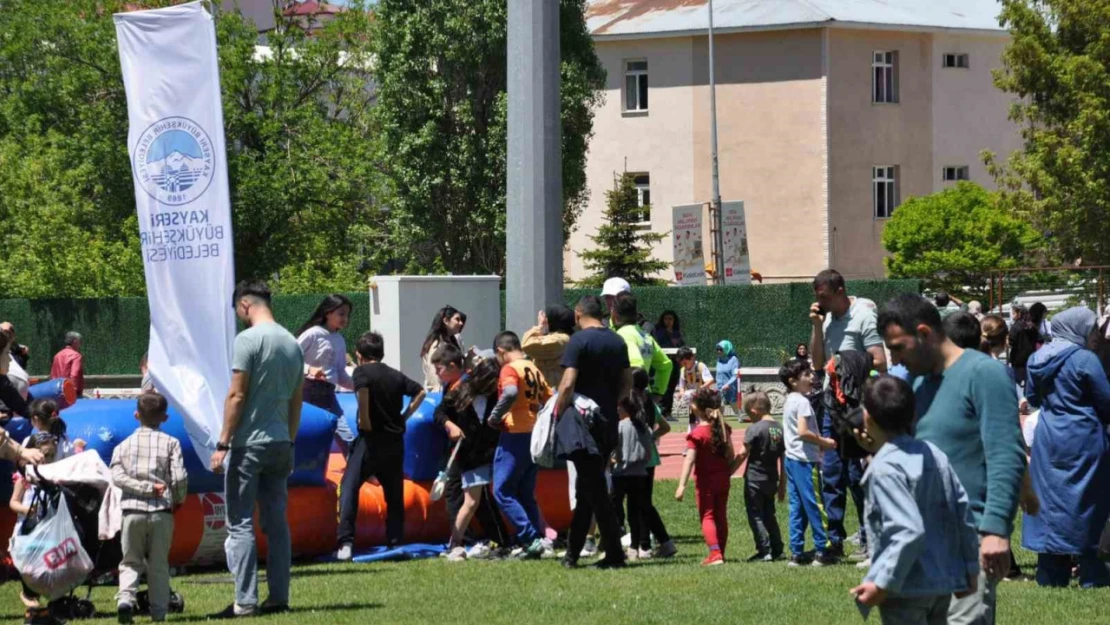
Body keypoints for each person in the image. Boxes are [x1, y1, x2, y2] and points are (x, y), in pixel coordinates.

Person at [878, 293, 1025, 625]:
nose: (896, 360)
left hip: (967, 539)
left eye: (899, 347)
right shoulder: (915, 383)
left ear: (925, 333)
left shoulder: (984, 374)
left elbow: (1006, 453)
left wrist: (995, 530)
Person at [850, 376, 981, 625]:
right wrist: (970, 569)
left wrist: (882, 581)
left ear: (867, 417)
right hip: (941, 581)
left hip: (905, 586)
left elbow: (908, 529)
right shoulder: (935, 454)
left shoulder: (885, 468)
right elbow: (962, 513)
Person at [209, 281, 304, 618]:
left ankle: (245, 601)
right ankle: (279, 597)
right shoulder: (292, 343)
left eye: (237, 310)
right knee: (277, 523)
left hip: (249, 444)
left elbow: (236, 395)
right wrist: (290, 441)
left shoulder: (247, 340)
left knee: (240, 524)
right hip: (281, 442)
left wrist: (223, 442)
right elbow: (297, 400)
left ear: (245, 305)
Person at [1022, 307, 1110, 588]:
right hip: (1084, 436)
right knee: (1087, 502)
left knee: (1049, 503)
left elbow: (1032, 396)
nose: (1095, 334)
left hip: (1049, 438)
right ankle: (1092, 575)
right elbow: (1106, 401)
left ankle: (1050, 574)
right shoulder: (1085, 359)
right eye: (1092, 328)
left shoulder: (1037, 357)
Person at [809, 269, 886, 560]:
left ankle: (869, 539)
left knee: (858, 476)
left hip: (857, 406)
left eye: (824, 296)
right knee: (830, 474)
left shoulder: (863, 316)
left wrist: (844, 362)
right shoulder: (826, 319)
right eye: (818, 297)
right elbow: (817, 363)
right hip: (832, 406)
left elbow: (880, 361)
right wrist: (817, 327)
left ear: (840, 291)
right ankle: (834, 542)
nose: (820, 301)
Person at [554, 295, 631, 569]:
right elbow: (626, 383)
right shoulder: (616, 341)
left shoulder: (578, 341)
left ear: (578, 314)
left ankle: (614, 554)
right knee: (587, 487)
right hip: (607, 422)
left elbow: (568, 383)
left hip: (582, 424)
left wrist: (557, 412)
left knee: (595, 491)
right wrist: (612, 404)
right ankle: (572, 555)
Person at [336, 332, 426, 561]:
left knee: (349, 486)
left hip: (371, 439)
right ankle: (394, 540)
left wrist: (365, 422)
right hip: (394, 440)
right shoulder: (394, 374)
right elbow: (421, 391)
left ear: (359, 354)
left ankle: (346, 541)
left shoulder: (361, 372)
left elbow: (363, 394)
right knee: (393, 492)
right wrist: (404, 416)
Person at [111, 393, 188, 624]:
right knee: (158, 564)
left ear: (136, 415)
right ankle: (158, 613)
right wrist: (176, 498)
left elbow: (116, 476)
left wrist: (141, 488)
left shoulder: (122, 446)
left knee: (130, 561)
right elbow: (180, 477)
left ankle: (125, 599)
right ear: (165, 417)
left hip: (131, 512)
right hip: (160, 512)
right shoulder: (171, 443)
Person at [488, 331, 552, 558]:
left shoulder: (509, 368)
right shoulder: (532, 367)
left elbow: (511, 391)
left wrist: (495, 417)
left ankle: (529, 537)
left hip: (514, 431)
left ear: (501, 352)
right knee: (525, 491)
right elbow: (548, 396)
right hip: (533, 433)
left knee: (502, 490)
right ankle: (540, 539)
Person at [436, 354, 503, 561]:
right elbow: (440, 412)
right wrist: (450, 425)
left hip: (487, 452)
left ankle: (499, 540)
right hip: (468, 454)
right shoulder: (460, 391)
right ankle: (456, 543)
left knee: (477, 500)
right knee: (471, 501)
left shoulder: (494, 395)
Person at [674, 387, 741, 566]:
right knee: (721, 515)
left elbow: (689, 460)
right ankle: (721, 552)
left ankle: (715, 553)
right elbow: (731, 455)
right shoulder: (723, 428)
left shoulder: (697, 433)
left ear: (697, 408)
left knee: (707, 516)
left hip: (705, 482)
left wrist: (682, 485)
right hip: (723, 479)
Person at [780, 359, 837, 567]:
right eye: (806, 375)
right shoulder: (803, 402)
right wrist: (825, 442)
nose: (812, 377)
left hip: (792, 459)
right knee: (815, 504)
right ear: (793, 381)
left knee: (797, 507)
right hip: (805, 461)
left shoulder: (790, 400)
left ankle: (797, 552)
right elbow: (803, 432)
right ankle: (824, 549)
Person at [295, 294, 357, 451]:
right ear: (328, 312)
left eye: (347, 314)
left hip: (328, 393)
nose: (345, 318)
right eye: (341, 313)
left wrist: (356, 386)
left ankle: (357, 471)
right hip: (307, 391)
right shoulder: (313, 334)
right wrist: (309, 369)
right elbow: (291, 358)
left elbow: (340, 372)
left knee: (346, 435)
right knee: (302, 432)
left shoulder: (339, 339)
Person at [628, 369, 676, 558]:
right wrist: (651, 437)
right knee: (644, 502)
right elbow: (665, 426)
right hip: (650, 458)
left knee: (639, 503)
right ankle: (653, 542)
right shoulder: (649, 401)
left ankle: (647, 544)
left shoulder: (630, 402)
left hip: (635, 457)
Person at [10, 432, 58, 623]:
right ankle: (30, 599)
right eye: (43, 456)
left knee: (47, 566)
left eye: (50, 457)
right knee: (28, 566)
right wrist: (28, 509)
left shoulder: (53, 477)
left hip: (48, 531)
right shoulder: (24, 479)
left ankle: (48, 605)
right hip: (27, 530)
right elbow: (14, 502)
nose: (46, 461)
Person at [736, 391, 785, 562]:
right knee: (769, 513)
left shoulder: (755, 429)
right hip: (772, 478)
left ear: (754, 411)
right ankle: (778, 548)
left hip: (754, 479)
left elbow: (743, 454)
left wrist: (729, 470)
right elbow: (784, 459)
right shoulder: (780, 428)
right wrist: (782, 485)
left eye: (748, 414)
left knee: (755, 514)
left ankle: (764, 550)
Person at [610, 394, 653, 561]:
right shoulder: (644, 427)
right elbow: (648, 454)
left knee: (615, 508)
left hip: (621, 473)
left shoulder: (620, 426)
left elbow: (616, 453)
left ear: (625, 409)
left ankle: (614, 542)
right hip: (640, 473)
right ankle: (636, 546)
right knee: (635, 512)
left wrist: (612, 461)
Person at [611, 293, 672, 401]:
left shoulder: (624, 335)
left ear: (614, 313)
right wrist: (658, 392)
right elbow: (666, 365)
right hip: (645, 396)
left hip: (630, 402)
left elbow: (636, 366)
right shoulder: (645, 335)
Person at [522, 305, 575, 389]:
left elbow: (527, 345)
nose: (545, 320)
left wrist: (539, 326)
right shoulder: (560, 337)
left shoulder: (560, 340)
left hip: (552, 392)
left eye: (547, 317)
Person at [420, 306, 467, 392]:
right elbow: (433, 374)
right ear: (446, 321)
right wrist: (438, 395)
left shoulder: (453, 341)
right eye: (457, 319)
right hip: (440, 393)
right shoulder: (436, 344)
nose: (461, 323)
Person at [675, 347, 714, 430]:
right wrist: (681, 393)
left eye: (685, 363)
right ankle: (692, 435)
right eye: (682, 364)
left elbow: (710, 380)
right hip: (692, 400)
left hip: (704, 398)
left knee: (705, 419)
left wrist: (699, 390)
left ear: (692, 358)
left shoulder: (700, 366)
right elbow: (682, 386)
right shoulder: (683, 370)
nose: (684, 365)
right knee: (692, 419)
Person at [1008, 304, 1038, 386]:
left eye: (1013, 313)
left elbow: (1011, 342)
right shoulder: (1032, 326)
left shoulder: (1015, 327)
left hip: (1017, 359)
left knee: (1016, 383)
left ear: (1019, 314)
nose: (1012, 315)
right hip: (1031, 357)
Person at [50, 331, 84, 398]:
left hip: (57, 391)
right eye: (80, 341)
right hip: (70, 391)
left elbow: (52, 375)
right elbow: (74, 375)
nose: (80, 343)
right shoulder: (76, 356)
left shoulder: (57, 355)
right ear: (75, 341)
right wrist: (72, 392)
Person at [714, 340, 741, 412]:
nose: (719, 351)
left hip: (731, 389)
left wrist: (728, 384)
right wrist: (717, 386)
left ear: (726, 349)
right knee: (719, 410)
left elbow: (735, 375)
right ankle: (719, 422)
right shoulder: (719, 360)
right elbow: (718, 374)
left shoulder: (734, 360)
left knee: (738, 413)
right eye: (717, 349)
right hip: (720, 389)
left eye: (721, 349)